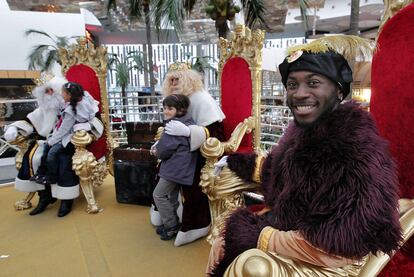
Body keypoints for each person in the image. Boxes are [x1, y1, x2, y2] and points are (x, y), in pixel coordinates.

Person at [206, 36, 402, 276]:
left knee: (249, 264)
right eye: (292, 84)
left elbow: (343, 244)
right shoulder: (301, 132)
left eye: (313, 82)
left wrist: (262, 236)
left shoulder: (355, 146)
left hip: (329, 258)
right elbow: (283, 173)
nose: (299, 94)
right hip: (294, 229)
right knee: (222, 242)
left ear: (339, 91)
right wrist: (239, 162)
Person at [152, 63, 226, 246]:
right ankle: (168, 219)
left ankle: (185, 225)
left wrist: (189, 132)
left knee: (186, 189)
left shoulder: (201, 98)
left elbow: (217, 133)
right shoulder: (174, 99)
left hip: (198, 153)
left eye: (178, 79)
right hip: (174, 154)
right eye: (171, 79)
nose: (175, 82)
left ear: (188, 79)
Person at [4, 78, 100, 217]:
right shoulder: (45, 109)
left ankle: (66, 199)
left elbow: (93, 117)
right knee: (31, 157)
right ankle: (44, 196)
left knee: (63, 160)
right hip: (48, 139)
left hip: (70, 141)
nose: (49, 94)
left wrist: (87, 126)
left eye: (51, 90)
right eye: (45, 92)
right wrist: (13, 127)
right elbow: (29, 119)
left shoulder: (78, 104)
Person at [150, 94, 197, 240]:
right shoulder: (188, 122)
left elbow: (164, 150)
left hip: (174, 168)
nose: (166, 111)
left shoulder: (174, 125)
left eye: (170, 108)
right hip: (182, 168)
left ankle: (171, 226)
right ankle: (172, 223)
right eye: (164, 108)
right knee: (171, 196)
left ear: (181, 109)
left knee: (158, 194)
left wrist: (156, 151)